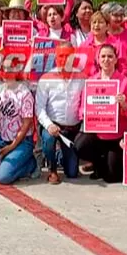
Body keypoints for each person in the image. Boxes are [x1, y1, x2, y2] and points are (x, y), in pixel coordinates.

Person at [74, 44, 127, 184]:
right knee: (79, 146)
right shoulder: (91, 82)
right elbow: (81, 109)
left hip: (116, 136)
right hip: (97, 133)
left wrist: (124, 105)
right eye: (103, 56)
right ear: (98, 59)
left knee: (112, 178)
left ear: (115, 60)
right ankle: (98, 161)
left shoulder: (125, 82)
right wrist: (88, 113)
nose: (106, 59)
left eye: (110, 56)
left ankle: (104, 164)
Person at [36, 43, 86, 184]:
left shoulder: (82, 77)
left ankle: (61, 155)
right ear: (56, 58)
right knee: (48, 139)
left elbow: (86, 103)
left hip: (72, 129)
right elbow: (39, 108)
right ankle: (52, 169)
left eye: (68, 56)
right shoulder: (46, 78)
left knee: (72, 173)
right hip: (54, 126)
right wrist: (49, 125)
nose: (64, 60)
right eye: (61, 56)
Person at [0, 69, 38, 185]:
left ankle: (30, 164)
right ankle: (6, 160)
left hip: (22, 142)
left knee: (3, 177)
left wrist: (11, 147)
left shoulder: (24, 93)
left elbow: (26, 124)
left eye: (10, 71)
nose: (5, 74)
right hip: (3, 139)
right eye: (3, 71)